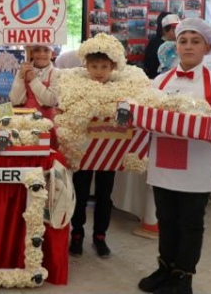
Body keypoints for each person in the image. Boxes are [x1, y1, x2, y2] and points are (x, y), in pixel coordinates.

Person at [138, 18, 211, 294]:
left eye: (195, 41)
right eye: (183, 41)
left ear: (207, 47)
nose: (188, 46)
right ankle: (165, 268)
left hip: (196, 168)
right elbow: (146, 114)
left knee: (190, 223)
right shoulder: (159, 81)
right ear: (175, 46)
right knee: (165, 219)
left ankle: (183, 276)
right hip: (163, 164)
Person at [68, 36, 126, 259]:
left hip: (109, 149)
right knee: (80, 193)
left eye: (104, 67)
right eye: (94, 66)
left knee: (104, 194)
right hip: (83, 148)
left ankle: (100, 236)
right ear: (86, 66)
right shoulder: (76, 87)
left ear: (112, 67)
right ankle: (77, 234)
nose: (99, 71)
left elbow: (126, 118)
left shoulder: (120, 88)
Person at [9, 44, 60, 119]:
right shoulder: (22, 70)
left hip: (47, 121)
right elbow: (15, 101)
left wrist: (33, 80)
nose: (42, 54)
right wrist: (20, 77)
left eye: (46, 50)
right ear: (31, 53)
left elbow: (51, 101)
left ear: (53, 54)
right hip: (24, 120)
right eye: (37, 50)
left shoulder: (56, 73)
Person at [143, 13, 179, 79]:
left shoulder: (181, 43)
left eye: (179, 29)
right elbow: (150, 66)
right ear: (164, 30)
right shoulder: (154, 44)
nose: (177, 33)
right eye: (174, 30)